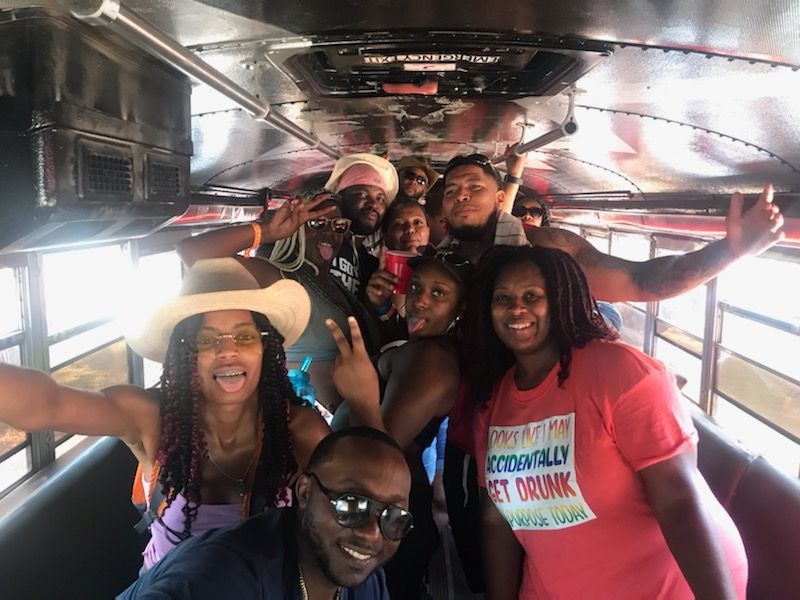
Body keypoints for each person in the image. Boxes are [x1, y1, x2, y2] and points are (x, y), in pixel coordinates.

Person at [0, 258, 331, 569]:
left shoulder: (299, 430)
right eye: (206, 339)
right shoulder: (150, 418)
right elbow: (47, 404)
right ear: (182, 353)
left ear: (265, 348)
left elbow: (364, 508)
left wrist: (362, 404)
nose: (228, 350)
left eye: (244, 336)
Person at [462, 245, 747, 599]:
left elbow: (678, 498)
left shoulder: (622, 375)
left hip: (666, 587)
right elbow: (495, 519)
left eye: (533, 296)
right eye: (502, 298)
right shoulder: (492, 403)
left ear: (563, 300)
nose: (516, 308)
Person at [439, 153, 784, 301]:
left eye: (474, 187)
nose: (462, 197)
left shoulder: (549, 248)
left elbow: (641, 281)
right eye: (452, 190)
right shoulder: (435, 256)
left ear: (501, 198)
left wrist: (730, 250)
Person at [118, 427, 413, 599]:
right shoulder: (220, 579)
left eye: (393, 516)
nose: (371, 534)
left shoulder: (365, 582)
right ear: (305, 493)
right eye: (351, 504)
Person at [328, 246, 473, 599]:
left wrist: (359, 395)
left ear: (462, 309)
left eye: (438, 294)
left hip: (384, 517)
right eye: (417, 287)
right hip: (389, 512)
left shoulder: (431, 359)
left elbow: (382, 455)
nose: (419, 301)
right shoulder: (429, 348)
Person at [178, 194, 378, 412]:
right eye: (317, 223)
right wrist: (267, 232)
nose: (329, 232)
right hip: (306, 419)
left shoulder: (334, 283)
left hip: (351, 417)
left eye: (338, 225)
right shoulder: (280, 277)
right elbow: (192, 253)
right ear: (296, 228)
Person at [324, 153, 399, 296]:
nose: (374, 204)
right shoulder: (318, 241)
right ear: (340, 198)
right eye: (362, 195)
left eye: (380, 198)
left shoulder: (372, 267)